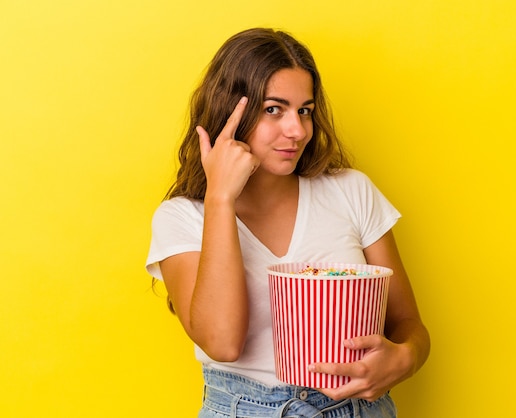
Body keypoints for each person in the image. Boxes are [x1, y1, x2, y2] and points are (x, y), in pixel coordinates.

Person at [146, 27, 430, 417]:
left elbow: (408, 323)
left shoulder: (351, 191)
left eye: (305, 111)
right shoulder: (183, 217)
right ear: (230, 113)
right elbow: (223, 344)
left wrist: (404, 359)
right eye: (273, 109)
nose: (297, 131)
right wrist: (220, 198)